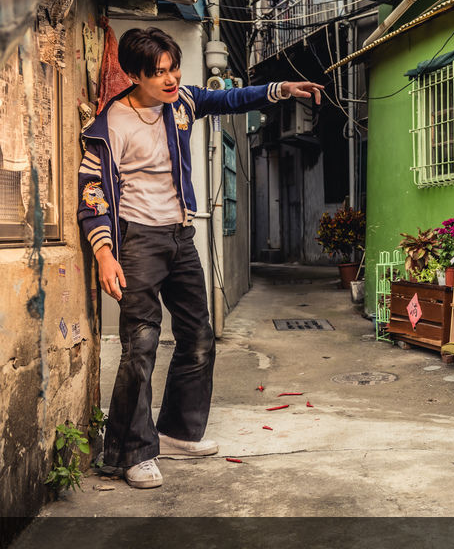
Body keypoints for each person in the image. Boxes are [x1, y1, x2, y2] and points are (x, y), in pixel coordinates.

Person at [77, 27, 323, 488]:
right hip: (137, 241)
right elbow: (91, 194)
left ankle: (175, 432)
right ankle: (130, 451)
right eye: (159, 74)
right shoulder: (110, 125)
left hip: (180, 235)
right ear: (134, 76)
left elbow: (229, 99)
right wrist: (105, 253)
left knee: (198, 336)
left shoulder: (183, 102)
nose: (171, 80)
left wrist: (282, 89)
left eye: (174, 68)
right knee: (142, 345)